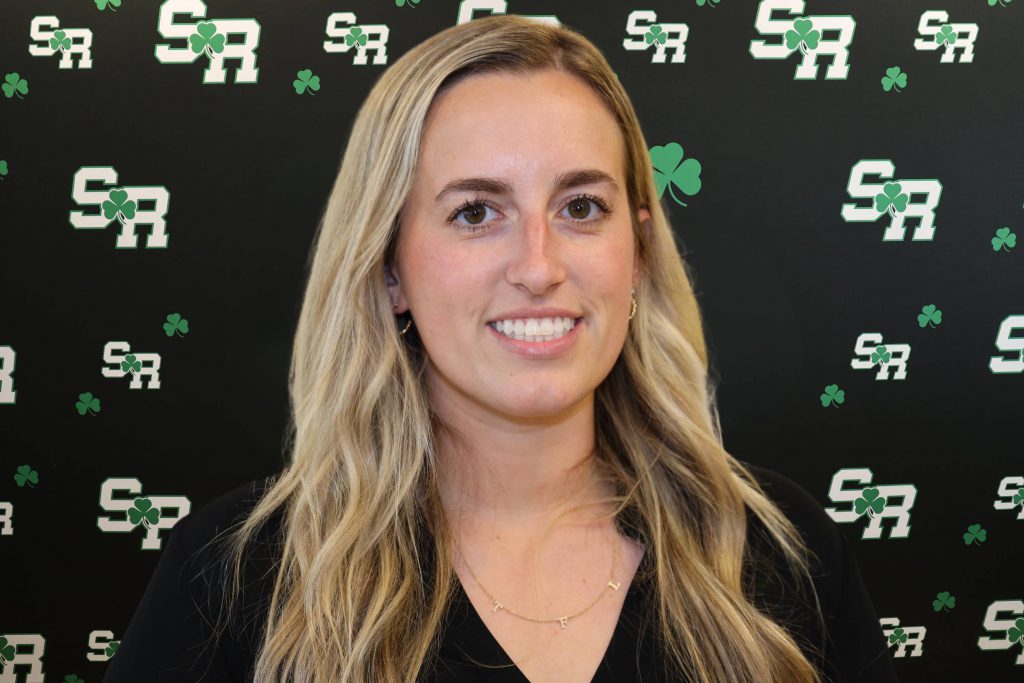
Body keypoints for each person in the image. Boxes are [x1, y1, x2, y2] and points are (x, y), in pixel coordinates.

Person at [104, 14, 898, 683]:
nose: (539, 266)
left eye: (582, 205)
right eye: (477, 213)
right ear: (389, 269)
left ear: (639, 252)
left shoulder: (784, 554)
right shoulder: (234, 578)